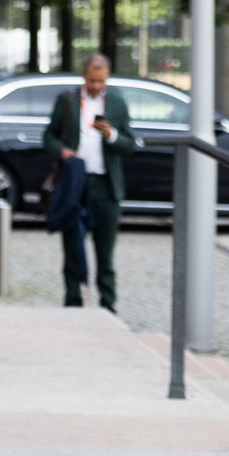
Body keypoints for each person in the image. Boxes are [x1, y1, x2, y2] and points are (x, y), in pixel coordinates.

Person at [43, 54, 136, 312]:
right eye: (93, 80)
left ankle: (108, 305)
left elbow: (130, 145)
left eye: (102, 81)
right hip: (75, 183)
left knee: (105, 253)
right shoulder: (68, 100)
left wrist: (112, 135)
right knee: (73, 246)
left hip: (106, 186)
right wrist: (62, 151)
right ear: (84, 76)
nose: (97, 86)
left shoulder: (116, 104)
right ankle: (73, 300)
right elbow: (48, 137)